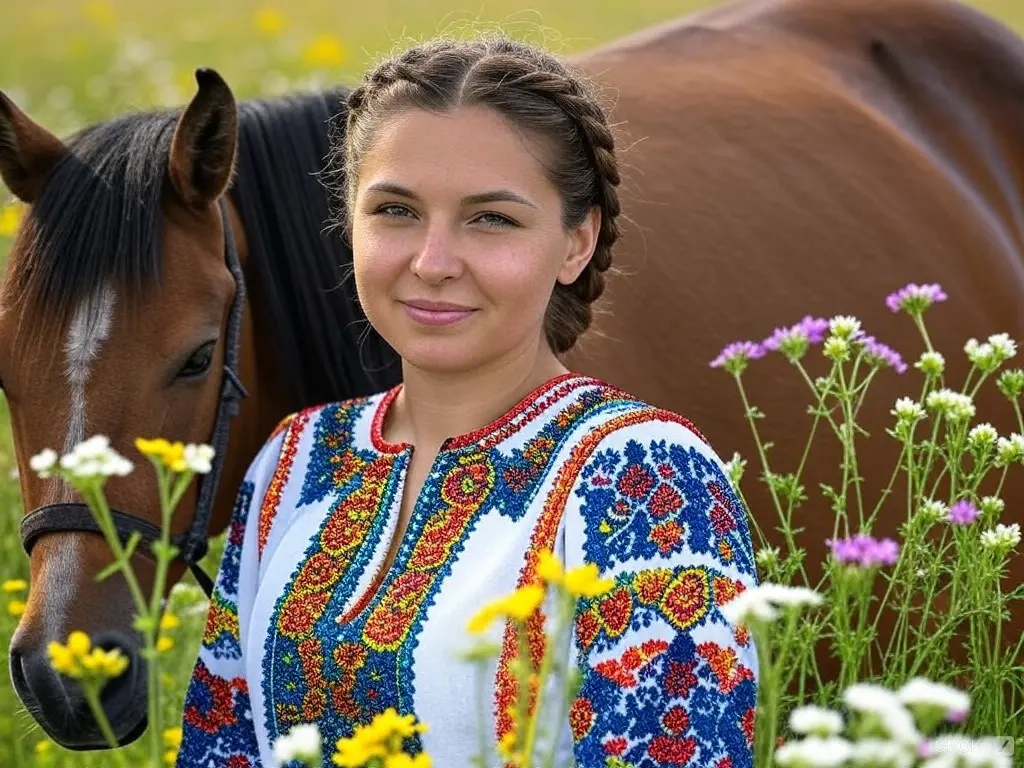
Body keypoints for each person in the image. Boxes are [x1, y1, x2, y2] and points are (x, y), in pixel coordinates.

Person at [176, 32, 759, 768]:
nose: (433, 262)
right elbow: (221, 747)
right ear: (348, 223)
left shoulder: (645, 477)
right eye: (395, 210)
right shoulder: (293, 461)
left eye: (491, 219)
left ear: (576, 243)